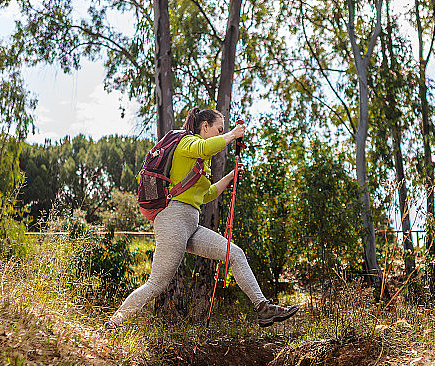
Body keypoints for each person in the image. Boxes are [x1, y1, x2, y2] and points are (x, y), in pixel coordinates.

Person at [106, 107, 298, 329]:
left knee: (234, 253)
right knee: (157, 284)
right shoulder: (187, 143)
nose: (221, 133)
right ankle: (114, 323)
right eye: (219, 129)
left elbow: (206, 195)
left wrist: (230, 177)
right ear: (204, 127)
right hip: (172, 221)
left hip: (191, 225)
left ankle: (263, 308)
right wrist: (234, 134)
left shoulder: (199, 160)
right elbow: (207, 147)